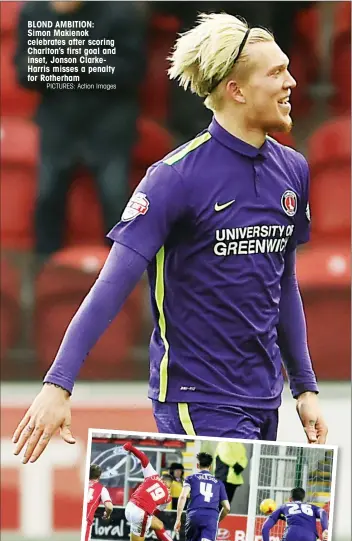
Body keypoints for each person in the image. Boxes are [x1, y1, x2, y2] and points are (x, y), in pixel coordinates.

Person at [13, 12, 328, 465]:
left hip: (264, 397)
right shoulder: (173, 179)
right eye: (277, 73)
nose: (292, 83)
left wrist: (305, 387)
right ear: (236, 91)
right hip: (196, 396)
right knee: (209, 529)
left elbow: (283, 284)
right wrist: (58, 383)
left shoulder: (293, 169)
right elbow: (111, 285)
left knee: (226, 535)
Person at [14, 1, 146, 259]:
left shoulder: (122, 11)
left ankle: (122, 277)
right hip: (58, 123)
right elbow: (25, 72)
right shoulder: (33, 12)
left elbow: (131, 72)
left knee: (115, 199)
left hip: (109, 123)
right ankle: (44, 278)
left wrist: (71, 58)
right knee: (47, 197)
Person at [102, 442, 187, 541]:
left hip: (129, 507)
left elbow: (143, 458)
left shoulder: (153, 476)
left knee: (158, 525)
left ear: (161, 478)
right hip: (142, 513)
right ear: (170, 485)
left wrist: (131, 448)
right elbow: (154, 512)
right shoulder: (167, 497)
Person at [174, 452, 231, 541]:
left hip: (193, 515)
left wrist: (178, 518)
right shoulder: (219, 483)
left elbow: (182, 496)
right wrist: (218, 520)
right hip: (211, 516)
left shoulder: (191, 478)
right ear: (211, 466)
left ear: (197, 465)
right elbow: (227, 507)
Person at [85, 464, 113, 541]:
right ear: (99, 476)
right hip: (85, 522)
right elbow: (109, 507)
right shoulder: (101, 489)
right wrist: (107, 515)